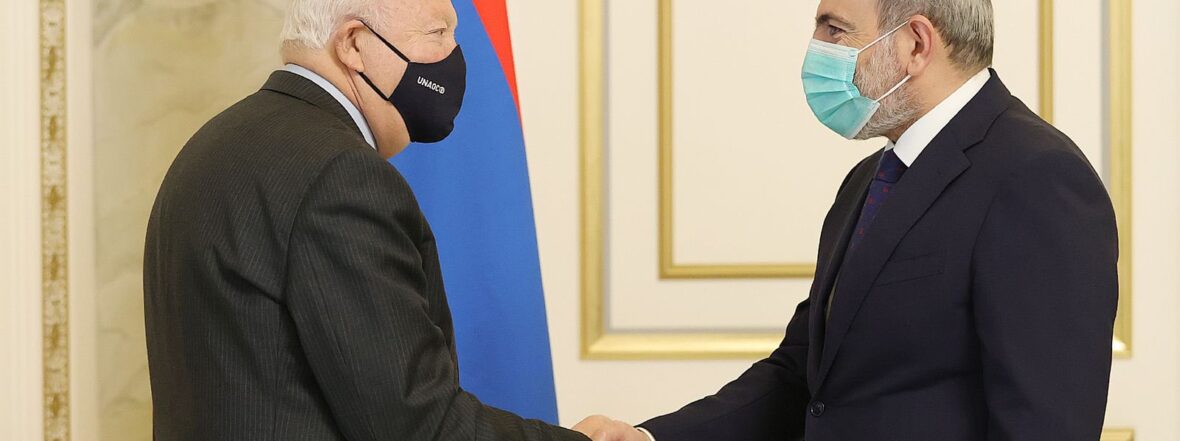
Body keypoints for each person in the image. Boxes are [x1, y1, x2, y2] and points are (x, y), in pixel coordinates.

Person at [575, 0, 1119, 440]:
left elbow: (1046, 426)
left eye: (834, 30)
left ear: (915, 44)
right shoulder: (870, 179)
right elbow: (803, 378)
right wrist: (648, 437)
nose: (817, 50)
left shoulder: (1036, 176)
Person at [143, 0, 589, 439]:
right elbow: (418, 426)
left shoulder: (215, 143)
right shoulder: (341, 174)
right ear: (354, 44)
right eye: (437, 33)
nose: (454, 54)